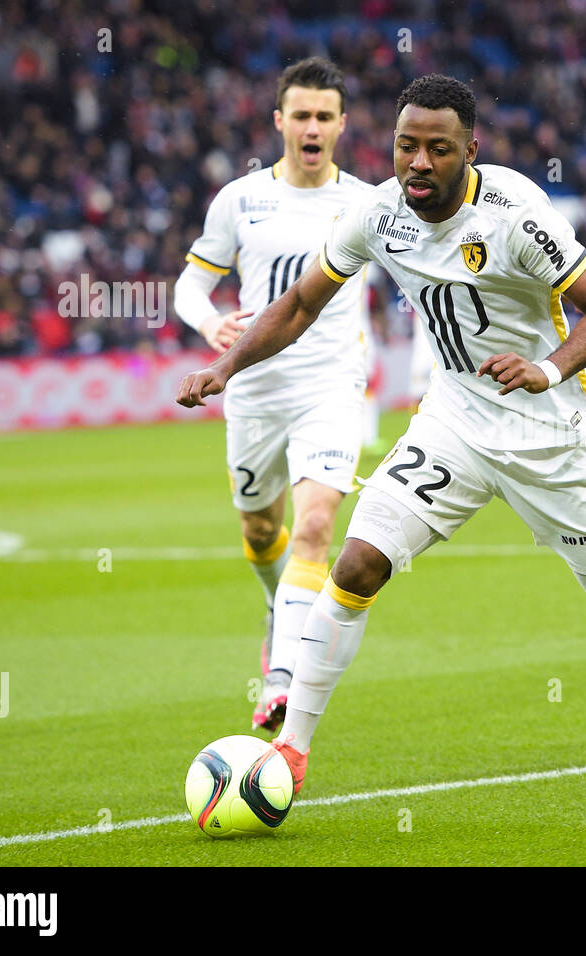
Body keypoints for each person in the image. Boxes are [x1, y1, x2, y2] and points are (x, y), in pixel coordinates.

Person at [178, 74, 586, 791]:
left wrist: (547, 367)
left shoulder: (514, 213)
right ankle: (291, 748)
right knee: (355, 567)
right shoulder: (378, 215)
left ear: (470, 149)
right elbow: (297, 305)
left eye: (437, 150)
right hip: (454, 423)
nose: (417, 162)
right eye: (406, 146)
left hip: (546, 434)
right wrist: (226, 365)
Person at [173, 57, 373, 732]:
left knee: (316, 526)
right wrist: (209, 323)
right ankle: (277, 605)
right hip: (256, 387)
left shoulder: (371, 205)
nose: (312, 127)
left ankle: (280, 675)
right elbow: (190, 285)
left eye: (325, 116)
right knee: (262, 529)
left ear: (342, 125)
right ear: (279, 121)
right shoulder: (239, 199)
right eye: (301, 115)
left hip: (332, 387)